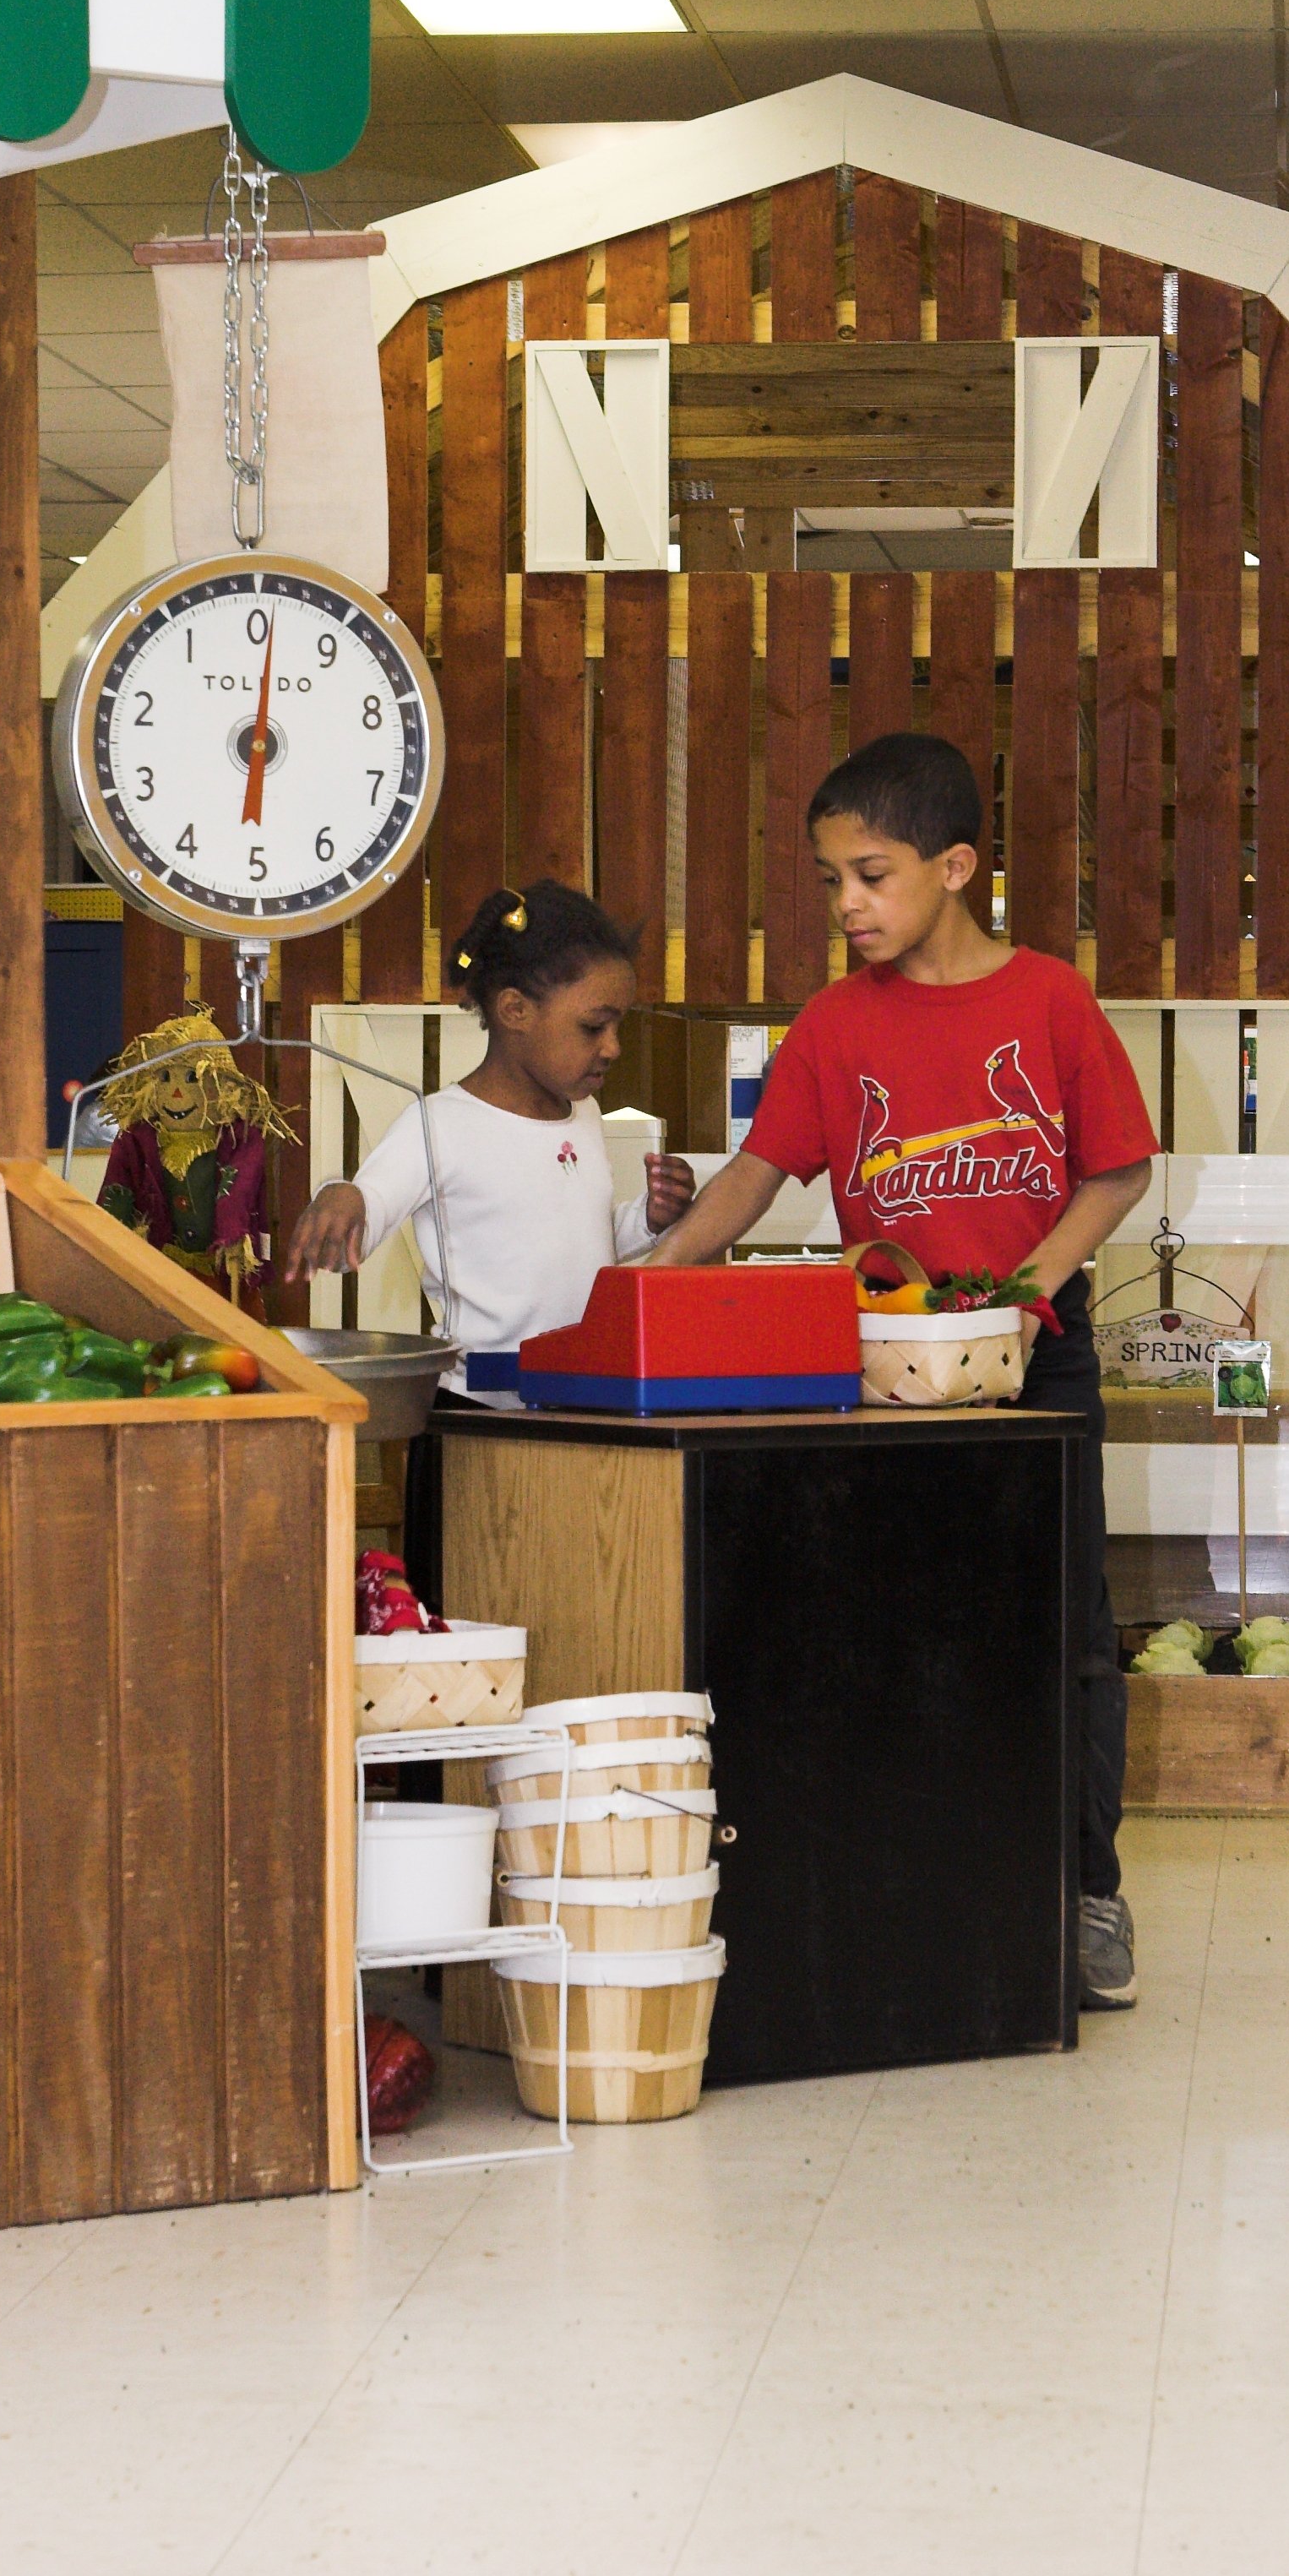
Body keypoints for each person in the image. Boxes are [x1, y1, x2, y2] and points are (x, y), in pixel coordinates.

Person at [645, 734, 1156, 2010]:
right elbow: (756, 1178)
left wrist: (1031, 1290)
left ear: (956, 865)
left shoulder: (1050, 1002)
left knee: (1067, 1632)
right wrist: (652, 1275)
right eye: (829, 882)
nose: (847, 905)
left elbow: (1117, 1168)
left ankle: (1086, 1889)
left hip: (1039, 1364)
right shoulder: (831, 1025)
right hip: (878, 1368)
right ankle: (919, 1877)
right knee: (892, 1628)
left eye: (869, 875)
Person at [287, 881, 694, 1373]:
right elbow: (368, 1207)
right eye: (593, 1027)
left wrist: (649, 1219)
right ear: (515, 1011)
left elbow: (582, 1238)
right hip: (481, 1410)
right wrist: (339, 1193)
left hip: (580, 1389)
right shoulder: (440, 1124)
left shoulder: (583, 1115)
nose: (613, 1047)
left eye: (617, 1027)